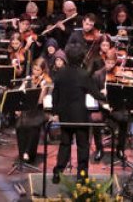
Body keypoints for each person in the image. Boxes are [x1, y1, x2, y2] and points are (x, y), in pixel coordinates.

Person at [51, 43, 110, 183]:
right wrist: (106, 95)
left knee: (65, 144)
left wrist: (55, 112)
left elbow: (55, 95)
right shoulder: (83, 75)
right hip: (80, 117)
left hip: (65, 116)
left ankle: (58, 173)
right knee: (83, 146)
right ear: (82, 58)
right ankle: (82, 176)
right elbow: (95, 94)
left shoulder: (60, 73)